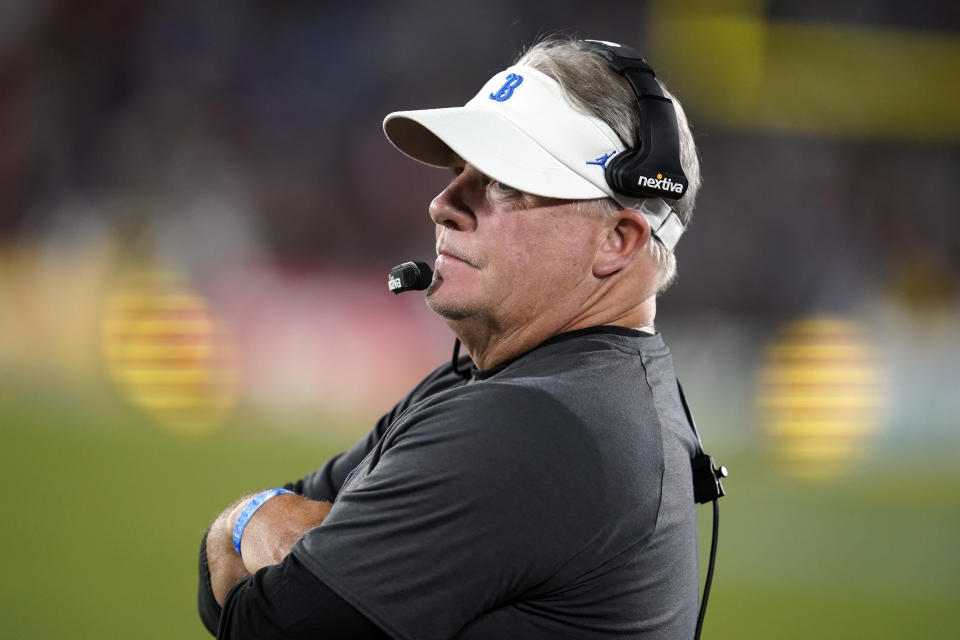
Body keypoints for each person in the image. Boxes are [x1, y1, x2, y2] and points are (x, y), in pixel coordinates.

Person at [197, 34, 704, 639]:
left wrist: (242, 520)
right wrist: (269, 519)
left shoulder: (540, 423)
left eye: (504, 184)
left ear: (617, 240)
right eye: (458, 172)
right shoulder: (520, 384)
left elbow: (258, 623)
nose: (442, 204)